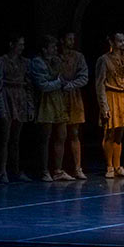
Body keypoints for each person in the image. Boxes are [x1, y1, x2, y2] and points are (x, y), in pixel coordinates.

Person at [0, 33, 35, 182]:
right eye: (20, 44)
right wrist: (1, 108)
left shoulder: (25, 62)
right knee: (5, 137)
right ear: (12, 44)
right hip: (7, 98)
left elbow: (29, 86)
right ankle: (2, 170)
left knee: (16, 139)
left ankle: (16, 169)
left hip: (20, 99)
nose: (22, 47)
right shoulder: (0, 62)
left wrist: (30, 106)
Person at [30, 34, 74, 181]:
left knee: (62, 134)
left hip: (58, 99)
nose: (55, 49)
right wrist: (58, 82)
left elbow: (62, 76)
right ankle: (44, 170)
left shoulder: (56, 60)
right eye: (52, 47)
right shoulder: (38, 62)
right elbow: (43, 85)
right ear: (44, 49)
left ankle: (58, 170)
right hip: (45, 101)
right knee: (45, 137)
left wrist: (58, 80)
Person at [95, 31, 124, 179]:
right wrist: (104, 106)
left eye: (123, 41)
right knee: (109, 132)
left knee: (120, 133)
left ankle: (118, 165)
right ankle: (109, 166)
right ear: (112, 42)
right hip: (111, 95)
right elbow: (99, 84)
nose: (123, 44)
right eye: (119, 41)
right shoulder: (104, 59)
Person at [59, 30, 92, 179]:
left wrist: (71, 85)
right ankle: (59, 168)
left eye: (73, 39)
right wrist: (61, 84)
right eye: (69, 39)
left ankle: (78, 168)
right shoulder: (56, 57)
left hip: (73, 96)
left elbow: (84, 76)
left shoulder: (78, 57)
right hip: (58, 96)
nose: (72, 42)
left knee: (74, 133)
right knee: (60, 134)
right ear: (62, 40)